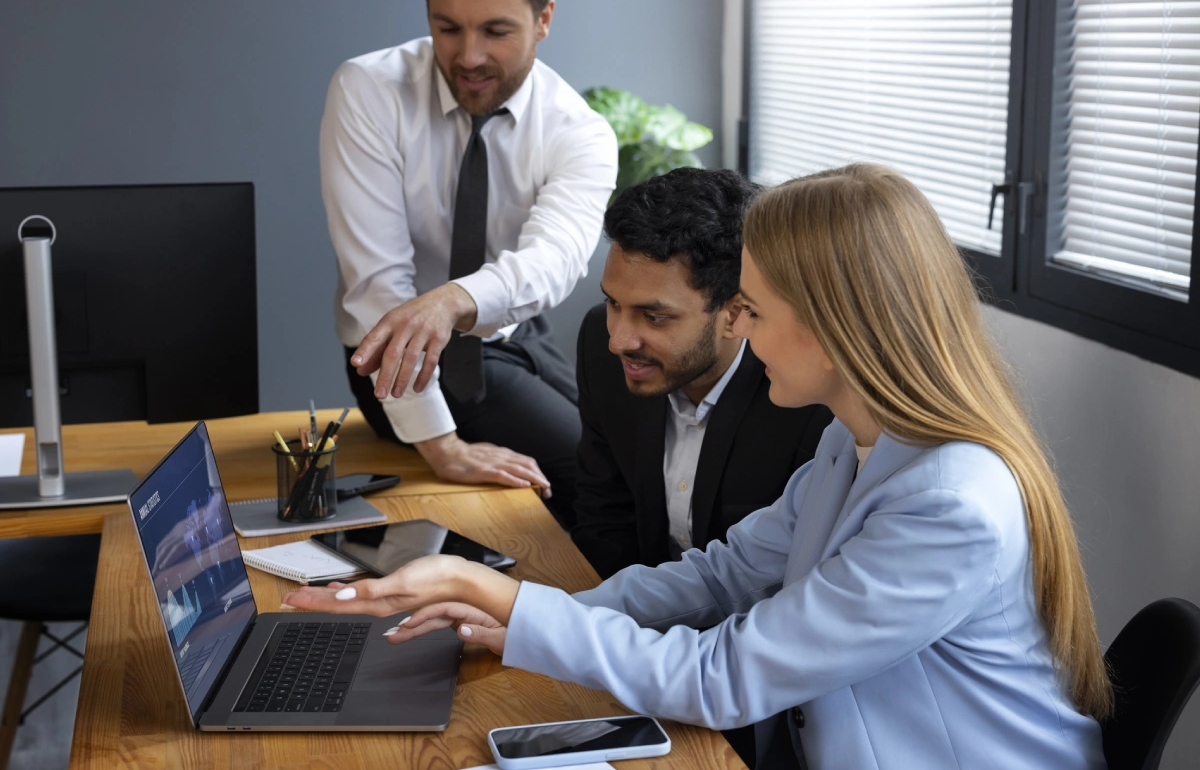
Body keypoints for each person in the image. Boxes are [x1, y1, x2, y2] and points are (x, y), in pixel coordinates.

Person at [285, 164, 1112, 769]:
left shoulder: (948, 507)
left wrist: (507, 600)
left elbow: (726, 676)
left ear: (834, 328)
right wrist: (524, 620)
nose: (741, 334)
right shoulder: (854, 444)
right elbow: (721, 576)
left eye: (753, 310)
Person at [320, 0, 618, 525]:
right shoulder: (369, 89)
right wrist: (443, 447)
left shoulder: (578, 131)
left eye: (496, 31)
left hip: (512, 336)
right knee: (588, 474)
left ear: (544, 19)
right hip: (400, 357)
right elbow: (376, 287)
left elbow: (556, 259)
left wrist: (452, 299)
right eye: (448, 28)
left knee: (632, 451)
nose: (470, 56)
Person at [571, 168, 832, 579]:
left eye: (654, 317)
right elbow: (603, 513)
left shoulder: (806, 395)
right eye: (613, 303)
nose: (618, 340)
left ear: (736, 313)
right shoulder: (598, 344)